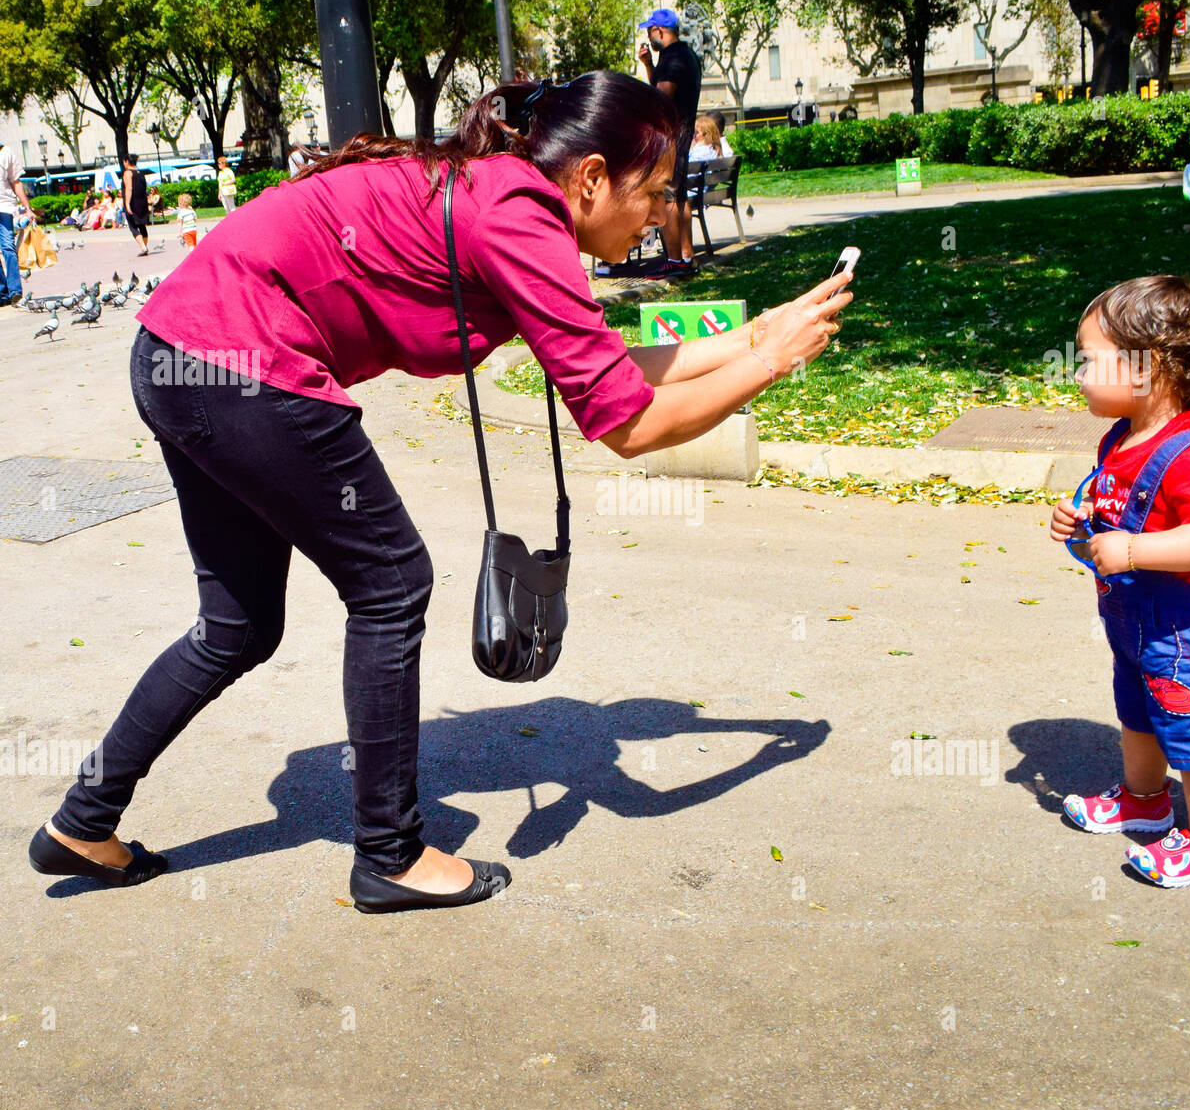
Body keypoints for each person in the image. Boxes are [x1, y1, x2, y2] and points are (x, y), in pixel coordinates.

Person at [27, 69, 852, 914]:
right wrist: (771, 363)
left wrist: (756, 334)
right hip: (246, 365)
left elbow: (607, 372)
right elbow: (628, 424)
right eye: (652, 193)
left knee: (237, 627)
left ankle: (84, 819)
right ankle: (388, 854)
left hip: (181, 355)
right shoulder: (520, 214)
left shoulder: (507, 200)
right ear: (593, 178)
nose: (655, 215)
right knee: (390, 584)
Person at [1050, 275, 1190, 887]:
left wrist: (1135, 549)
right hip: (1137, 623)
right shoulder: (1122, 438)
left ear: (1148, 368)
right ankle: (1143, 800)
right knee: (1137, 710)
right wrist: (1079, 515)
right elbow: (1112, 502)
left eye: (1089, 360)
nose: (1077, 373)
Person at [637, 7, 702, 277]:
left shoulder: (673, 59)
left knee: (669, 197)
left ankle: (674, 260)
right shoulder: (686, 55)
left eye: (649, 31)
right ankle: (686, 255)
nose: (649, 37)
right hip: (683, 135)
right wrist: (649, 65)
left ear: (658, 31)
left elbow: (662, 97)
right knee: (679, 196)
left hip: (671, 138)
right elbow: (664, 85)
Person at [0, 140, 38, 306]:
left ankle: (15, 290)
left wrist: (27, 208)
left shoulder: (6, 152)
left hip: (5, 206)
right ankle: (2, 292)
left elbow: (16, 182)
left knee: (8, 247)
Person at [121, 153, 150, 255]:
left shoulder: (128, 173)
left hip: (133, 202)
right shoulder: (140, 172)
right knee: (142, 225)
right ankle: (145, 246)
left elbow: (129, 188)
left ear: (126, 161)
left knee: (132, 226)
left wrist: (127, 204)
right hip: (142, 201)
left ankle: (143, 247)